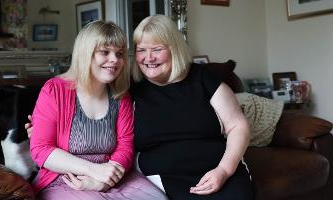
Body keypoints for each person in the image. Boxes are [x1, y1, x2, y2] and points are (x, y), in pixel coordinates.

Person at [29, 20, 167, 200]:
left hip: (113, 176)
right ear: (86, 53)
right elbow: (41, 149)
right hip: (65, 179)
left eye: (119, 54)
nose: (114, 60)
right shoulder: (54, 90)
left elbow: (125, 147)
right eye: (105, 52)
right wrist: (94, 170)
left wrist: (105, 181)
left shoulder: (121, 96)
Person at [129, 15, 253, 199]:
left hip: (218, 172)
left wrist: (224, 171)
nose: (149, 58)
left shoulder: (204, 79)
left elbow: (238, 127)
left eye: (157, 49)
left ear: (174, 49)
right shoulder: (132, 90)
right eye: (141, 50)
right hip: (162, 181)